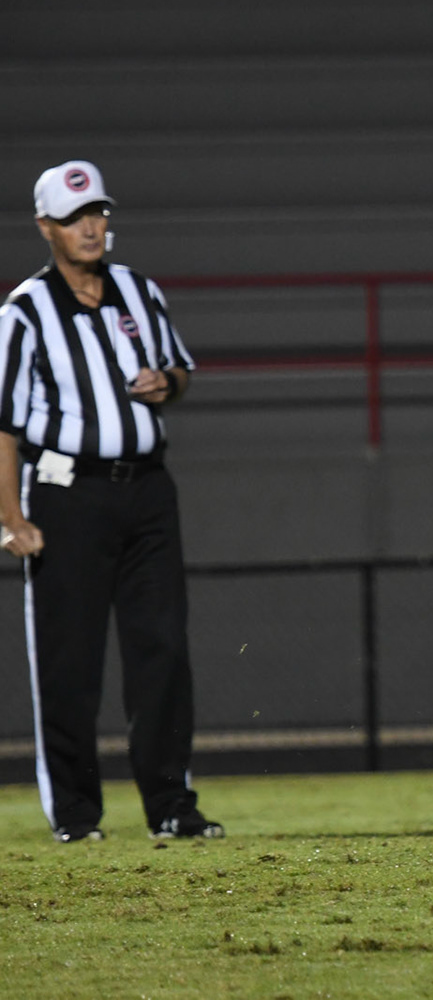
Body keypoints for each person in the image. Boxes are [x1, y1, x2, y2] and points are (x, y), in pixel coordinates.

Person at [0, 161, 221, 842]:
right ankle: (75, 814)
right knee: (69, 660)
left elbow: (179, 370)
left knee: (163, 650)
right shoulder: (24, 311)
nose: (90, 227)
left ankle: (172, 805)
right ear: (46, 227)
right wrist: (11, 517)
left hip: (147, 490)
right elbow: (2, 424)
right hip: (67, 494)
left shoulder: (138, 291)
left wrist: (167, 383)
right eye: (73, 217)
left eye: (96, 211)